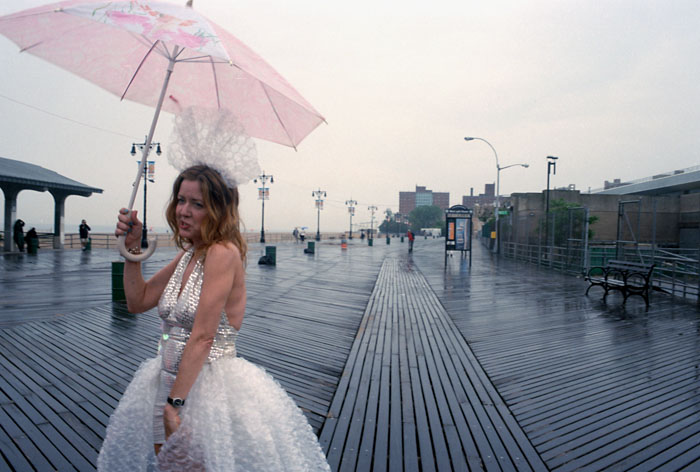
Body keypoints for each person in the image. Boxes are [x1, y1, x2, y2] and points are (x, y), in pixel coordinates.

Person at [98, 107, 330, 471]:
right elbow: (137, 301)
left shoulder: (222, 253)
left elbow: (204, 336)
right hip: (169, 379)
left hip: (203, 390)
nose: (183, 211)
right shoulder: (191, 254)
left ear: (218, 210)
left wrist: (176, 405)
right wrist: (132, 249)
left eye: (197, 204)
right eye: (180, 200)